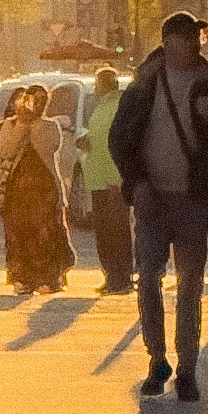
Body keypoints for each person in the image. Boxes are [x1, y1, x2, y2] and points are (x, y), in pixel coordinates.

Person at [109, 13, 208, 403]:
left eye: (197, 38)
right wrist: (135, 183)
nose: (196, 45)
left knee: (190, 286)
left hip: (194, 199)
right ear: (170, 42)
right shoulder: (144, 84)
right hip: (151, 199)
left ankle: (187, 369)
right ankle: (157, 360)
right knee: (149, 278)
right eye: (188, 38)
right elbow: (119, 138)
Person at [0, 84, 73, 294]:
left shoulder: (50, 125)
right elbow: (5, 151)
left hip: (44, 188)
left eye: (38, 101)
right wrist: (21, 124)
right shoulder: (10, 125)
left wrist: (34, 123)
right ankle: (22, 278)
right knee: (18, 232)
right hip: (16, 189)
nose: (33, 105)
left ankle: (49, 278)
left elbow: (47, 147)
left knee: (46, 232)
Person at [81, 67, 132, 293]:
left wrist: (120, 178)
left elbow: (124, 143)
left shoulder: (120, 107)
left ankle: (121, 277)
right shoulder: (101, 108)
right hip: (98, 179)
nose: (95, 88)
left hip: (113, 181)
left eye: (97, 83)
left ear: (105, 84)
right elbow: (100, 138)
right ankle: (111, 275)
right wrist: (86, 142)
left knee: (116, 232)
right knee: (103, 231)